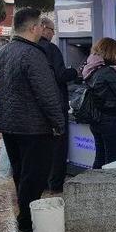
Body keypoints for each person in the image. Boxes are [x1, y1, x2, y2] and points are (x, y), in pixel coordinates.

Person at [0, 8, 65, 232]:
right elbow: (47, 94)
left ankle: (24, 217)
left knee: (21, 174)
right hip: (34, 127)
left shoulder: (2, 52)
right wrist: (58, 123)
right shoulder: (33, 54)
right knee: (34, 176)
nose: (43, 29)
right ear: (34, 28)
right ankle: (26, 221)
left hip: (10, 125)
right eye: (41, 26)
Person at [38, 17, 78, 191]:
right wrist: (75, 72)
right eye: (52, 30)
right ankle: (55, 183)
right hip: (55, 104)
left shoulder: (30, 48)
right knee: (58, 146)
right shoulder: (51, 48)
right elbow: (61, 75)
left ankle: (43, 182)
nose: (53, 34)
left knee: (43, 146)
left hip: (38, 107)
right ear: (44, 28)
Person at [83, 38, 116, 169]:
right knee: (112, 159)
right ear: (110, 52)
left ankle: (95, 181)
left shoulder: (91, 68)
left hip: (97, 118)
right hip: (111, 120)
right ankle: (109, 182)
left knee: (100, 156)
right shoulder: (108, 71)